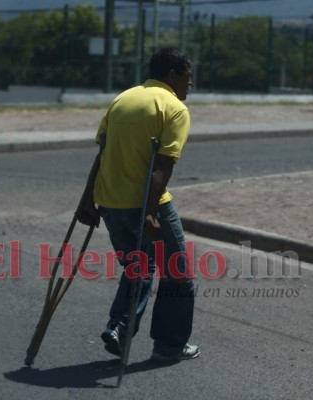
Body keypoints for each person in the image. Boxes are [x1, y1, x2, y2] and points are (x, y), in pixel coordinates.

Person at [77, 47, 199, 362]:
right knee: (177, 275)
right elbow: (162, 166)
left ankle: (118, 326)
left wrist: (87, 201)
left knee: (139, 267)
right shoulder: (174, 108)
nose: (191, 84)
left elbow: (101, 154)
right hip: (146, 205)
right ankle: (169, 347)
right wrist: (149, 210)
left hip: (110, 203)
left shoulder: (122, 99)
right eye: (188, 77)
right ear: (173, 75)